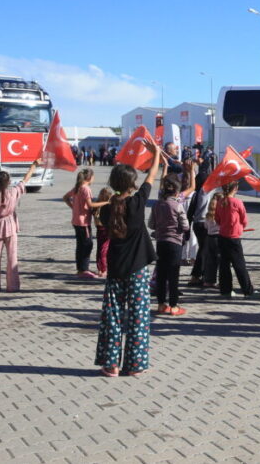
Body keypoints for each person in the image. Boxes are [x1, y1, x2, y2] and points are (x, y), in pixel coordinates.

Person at [95, 150, 160, 377]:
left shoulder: (105, 210)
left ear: (113, 184)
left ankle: (111, 365)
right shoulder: (137, 203)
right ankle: (135, 365)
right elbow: (151, 177)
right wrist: (157, 155)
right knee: (138, 317)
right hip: (138, 269)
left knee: (112, 317)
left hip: (115, 268)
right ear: (132, 184)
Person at [0, 160, 39, 293]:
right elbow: (24, 181)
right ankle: (13, 286)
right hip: (10, 226)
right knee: (12, 258)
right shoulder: (14, 192)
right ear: (9, 182)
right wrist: (34, 166)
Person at [149, 173, 190, 316]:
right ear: (177, 192)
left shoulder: (156, 205)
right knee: (173, 274)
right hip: (175, 243)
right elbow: (185, 225)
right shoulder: (177, 206)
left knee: (161, 273)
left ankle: (161, 304)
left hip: (161, 242)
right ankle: (173, 305)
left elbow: (151, 224)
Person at [215, 181, 260, 300]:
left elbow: (217, 219)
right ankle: (248, 291)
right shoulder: (237, 202)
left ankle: (225, 290)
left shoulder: (220, 202)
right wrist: (240, 227)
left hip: (222, 236)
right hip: (234, 237)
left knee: (224, 265)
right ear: (235, 188)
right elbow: (244, 220)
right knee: (240, 265)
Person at [63, 168, 106, 279]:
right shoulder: (86, 189)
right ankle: (84, 270)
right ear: (89, 177)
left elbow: (65, 197)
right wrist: (107, 202)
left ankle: (80, 269)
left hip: (76, 220)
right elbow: (90, 204)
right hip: (83, 223)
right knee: (87, 245)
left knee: (80, 245)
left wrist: (74, 208)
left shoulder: (78, 187)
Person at [94, 187, 114, 278]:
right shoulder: (108, 205)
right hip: (105, 229)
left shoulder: (97, 204)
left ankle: (100, 268)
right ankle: (103, 269)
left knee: (100, 249)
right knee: (103, 250)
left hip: (99, 229)